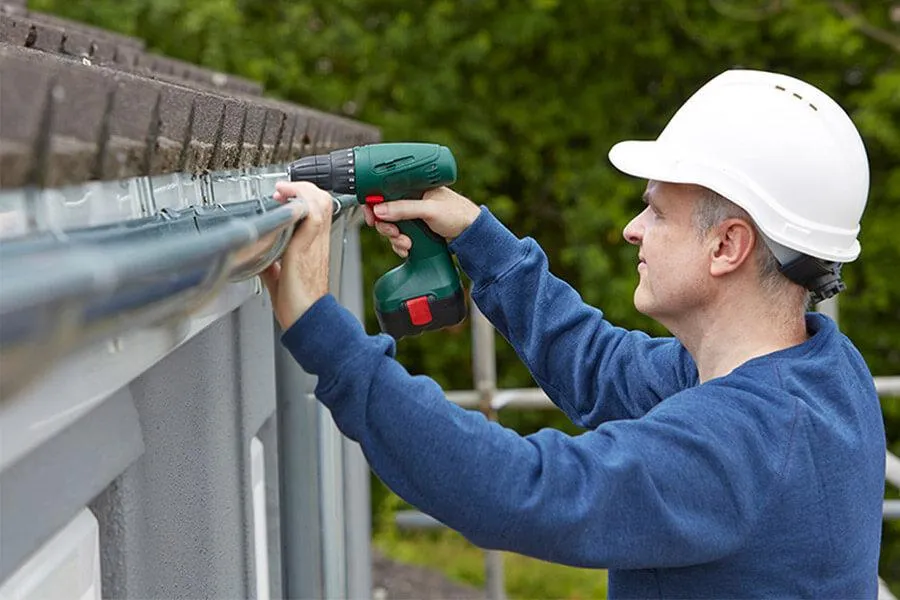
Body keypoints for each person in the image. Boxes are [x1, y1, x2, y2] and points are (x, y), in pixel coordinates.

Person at [261, 70, 885, 598]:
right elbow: (601, 367)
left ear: (728, 245)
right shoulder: (820, 372)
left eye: (657, 211)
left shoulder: (740, 444)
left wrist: (320, 325)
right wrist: (479, 237)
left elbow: (515, 490)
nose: (632, 230)